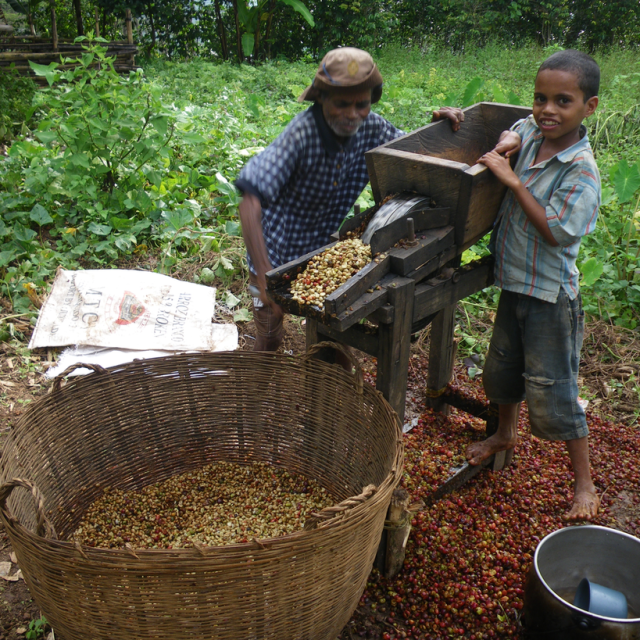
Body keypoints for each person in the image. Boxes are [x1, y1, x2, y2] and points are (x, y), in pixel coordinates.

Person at [236, 47, 463, 351]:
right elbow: (249, 202)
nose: (352, 114)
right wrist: (264, 279)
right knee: (269, 332)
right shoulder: (301, 135)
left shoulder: (371, 127)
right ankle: (258, 384)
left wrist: (436, 126)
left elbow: (409, 149)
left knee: (329, 340)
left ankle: (324, 381)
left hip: (320, 253)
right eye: (342, 104)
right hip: (273, 253)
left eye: (362, 104)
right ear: (322, 98)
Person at [465, 50, 601, 521]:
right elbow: (516, 127)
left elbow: (556, 229)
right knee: (502, 372)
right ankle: (505, 432)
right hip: (515, 286)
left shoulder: (581, 171)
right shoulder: (530, 130)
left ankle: (583, 483)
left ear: (590, 106)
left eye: (563, 100)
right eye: (541, 98)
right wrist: (506, 144)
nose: (548, 110)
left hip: (550, 298)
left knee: (555, 389)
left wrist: (510, 180)